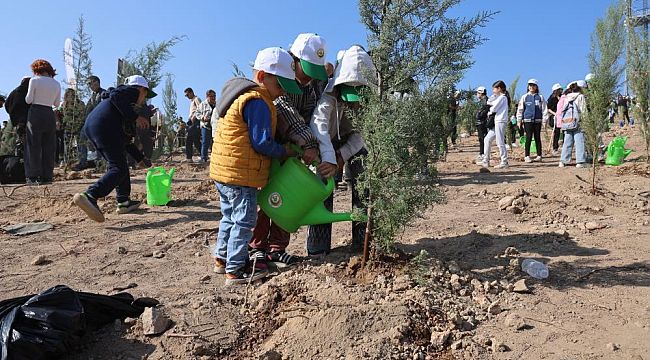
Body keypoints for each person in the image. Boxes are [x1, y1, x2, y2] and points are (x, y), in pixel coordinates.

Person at [210, 47, 300, 285]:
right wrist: (285, 151)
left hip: (224, 171)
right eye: (280, 86)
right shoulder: (258, 101)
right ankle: (236, 269)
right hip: (241, 175)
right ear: (262, 77)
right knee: (244, 220)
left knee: (229, 216)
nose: (281, 94)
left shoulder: (241, 96)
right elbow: (261, 143)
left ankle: (222, 258)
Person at [250, 33, 328, 264]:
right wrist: (310, 143)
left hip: (293, 151)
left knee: (288, 198)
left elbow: (312, 115)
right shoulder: (277, 76)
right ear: (294, 60)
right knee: (266, 197)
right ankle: (256, 247)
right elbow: (284, 111)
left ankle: (276, 248)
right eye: (306, 70)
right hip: (270, 148)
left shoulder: (311, 86)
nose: (308, 78)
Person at [308, 45, 374, 255]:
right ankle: (318, 246)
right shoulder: (328, 96)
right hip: (326, 143)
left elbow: (362, 134)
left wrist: (343, 154)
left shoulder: (371, 102)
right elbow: (319, 125)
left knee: (363, 185)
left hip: (354, 145)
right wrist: (330, 158)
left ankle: (362, 241)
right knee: (322, 186)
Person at [72, 75, 156, 222]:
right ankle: (90, 195)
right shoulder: (130, 92)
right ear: (141, 89)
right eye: (146, 94)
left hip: (96, 127)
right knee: (119, 168)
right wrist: (136, 117)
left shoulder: (123, 107)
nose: (144, 99)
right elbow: (116, 93)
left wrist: (140, 158)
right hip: (103, 127)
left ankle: (123, 202)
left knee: (120, 164)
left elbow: (126, 141)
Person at [24, 59, 61, 185]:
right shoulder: (56, 84)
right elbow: (57, 103)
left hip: (36, 112)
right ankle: (47, 176)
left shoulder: (34, 80)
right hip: (49, 113)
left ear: (36, 70)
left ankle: (33, 176)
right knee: (49, 146)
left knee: (33, 145)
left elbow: (28, 100)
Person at [75, 75, 106, 170]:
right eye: (88, 84)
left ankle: (100, 163)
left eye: (90, 83)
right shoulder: (93, 96)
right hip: (90, 123)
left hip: (99, 123)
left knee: (99, 143)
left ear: (96, 82)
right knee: (82, 140)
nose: (89, 86)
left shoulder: (103, 94)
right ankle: (83, 161)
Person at [481, 80, 511, 169]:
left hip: (500, 120)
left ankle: (504, 161)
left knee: (500, 141)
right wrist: (493, 97)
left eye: (494, 89)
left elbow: (493, 108)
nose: (493, 90)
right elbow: (489, 103)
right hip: (496, 121)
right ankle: (486, 160)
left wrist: (489, 112)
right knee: (487, 139)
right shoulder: (498, 97)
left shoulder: (502, 97)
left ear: (499, 88)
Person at [558, 81, 588, 168]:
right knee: (579, 142)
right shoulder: (581, 97)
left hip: (568, 122)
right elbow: (583, 110)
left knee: (567, 142)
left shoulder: (567, 97)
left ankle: (563, 161)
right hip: (578, 122)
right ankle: (580, 161)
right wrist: (586, 122)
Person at [516, 79, 547, 162]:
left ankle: (539, 155)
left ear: (536, 87)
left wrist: (544, 121)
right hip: (527, 120)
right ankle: (527, 155)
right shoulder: (525, 97)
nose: (531, 87)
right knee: (528, 137)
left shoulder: (540, 97)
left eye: (533, 85)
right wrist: (519, 120)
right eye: (530, 85)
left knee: (537, 137)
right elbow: (520, 109)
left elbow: (544, 109)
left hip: (537, 120)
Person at [3, 77, 31, 157]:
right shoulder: (28, 92)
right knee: (27, 142)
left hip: (17, 121)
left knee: (20, 141)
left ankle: (19, 160)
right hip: (27, 120)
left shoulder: (14, 92)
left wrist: (12, 115)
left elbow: (7, 104)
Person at [60, 88, 86, 164]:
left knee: (80, 145)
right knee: (67, 146)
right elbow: (62, 115)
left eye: (71, 94)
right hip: (68, 128)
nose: (70, 96)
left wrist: (78, 124)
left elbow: (82, 115)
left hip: (78, 126)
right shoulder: (64, 104)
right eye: (68, 94)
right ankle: (67, 162)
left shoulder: (80, 103)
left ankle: (81, 162)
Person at [196, 89, 216, 163]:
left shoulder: (217, 105)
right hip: (205, 126)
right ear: (207, 96)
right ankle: (203, 158)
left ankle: (214, 159)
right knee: (205, 142)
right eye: (211, 96)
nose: (213, 98)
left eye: (214, 96)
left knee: (215, 143)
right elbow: (197, 113)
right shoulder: (202, 105)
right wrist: (202, 118)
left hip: (215, 127)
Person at [184, 88, 202, 162]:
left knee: (189, 139)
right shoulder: (192, 101)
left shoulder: (196, 99)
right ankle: (203, 155)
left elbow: (200, 108)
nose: (187, 96)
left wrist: (194, 116)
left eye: (187, 94)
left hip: (195, 121)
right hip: (192, 122)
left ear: (191, 92)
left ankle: (189, 158)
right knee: (196, 140)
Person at [546, 83, 563, 155]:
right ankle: (555, 148)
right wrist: (555, 114)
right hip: (554, 117)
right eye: (558, 90)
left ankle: (563, 145)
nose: (560, 91)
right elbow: (548, 108)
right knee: (556, 131)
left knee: (564, 131)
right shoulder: (551, 98)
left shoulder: (562, 97)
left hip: (562, 116)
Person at [474, 86, 489, 165]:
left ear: (481, 93)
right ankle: (482, 154)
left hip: (482, 122)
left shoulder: (485, 100)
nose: (476, 94)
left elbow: (484, 111)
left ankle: (483, 154)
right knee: (481, 138)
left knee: (482, 138)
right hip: (480, 122)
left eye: (477, 93)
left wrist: (479, 115)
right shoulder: (482, 100)